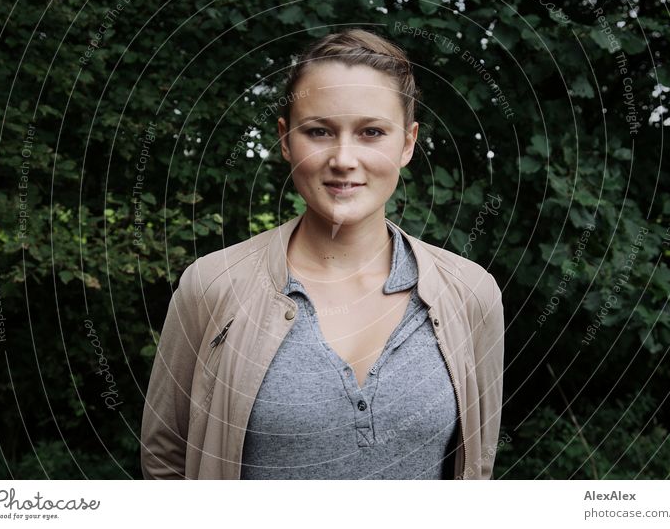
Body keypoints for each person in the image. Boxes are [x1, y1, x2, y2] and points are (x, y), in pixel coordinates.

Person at [140, 28, 504, 480]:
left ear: (408, 143)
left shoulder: (470, 293)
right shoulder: (212, 286)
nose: (344, 159)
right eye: (318, 131)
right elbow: (164, 461)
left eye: (372, 132)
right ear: (286, 139)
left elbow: (478, 466)